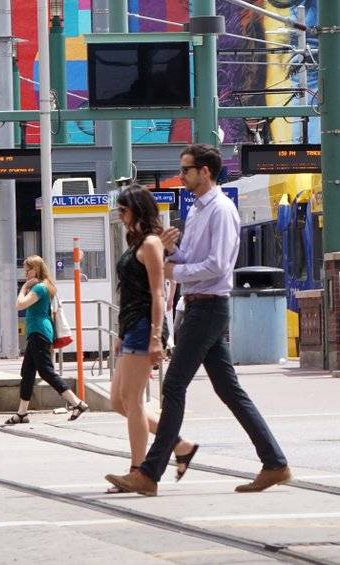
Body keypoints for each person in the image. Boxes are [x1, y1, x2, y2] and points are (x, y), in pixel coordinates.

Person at [106, 144, 290, 496]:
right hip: (199, 306)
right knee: (229, 390)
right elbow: (196, 258)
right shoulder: (197, 211)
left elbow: (219, 266)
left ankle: (149, 473)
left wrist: (174, 268)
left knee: (173, 387)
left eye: (187, 170)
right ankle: (275, 462)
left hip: (209, 306)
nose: (183, 175)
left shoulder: (220, 210)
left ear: (205, 172)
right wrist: (173, 250)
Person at [104, 185, 198, 492]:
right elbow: (131, 291)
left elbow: (159, 294)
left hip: (146, 327)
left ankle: (138, 471)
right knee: (118, 401)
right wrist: (121, 332)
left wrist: (156, 337)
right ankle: (179, 444)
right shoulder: (137, 243)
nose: (121, 215)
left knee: (132, 400)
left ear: (138, 209)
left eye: (124, 210)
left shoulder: (152, 244)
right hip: (132, 326)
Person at [4, 255, 89, 425]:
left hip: (39, 332)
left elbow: (20, 305)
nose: (26, 273)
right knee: (27, 372)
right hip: (37, 333)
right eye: (26, 270)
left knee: (46, 371)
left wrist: (23, 288)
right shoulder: (44, 286)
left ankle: (77, 403)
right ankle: (22, 413)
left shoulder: (40, 288)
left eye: (29, 270)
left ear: (37, 269)